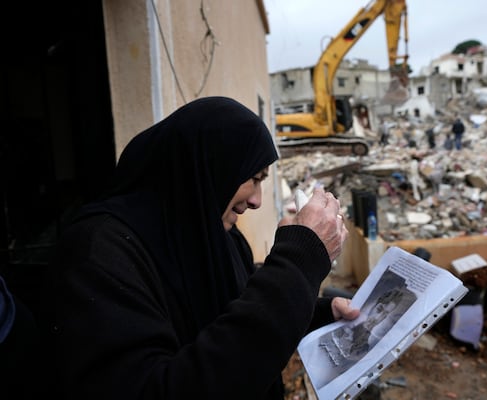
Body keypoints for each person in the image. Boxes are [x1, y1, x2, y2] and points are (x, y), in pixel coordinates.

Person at [38, 96, 360, 399]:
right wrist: (299, 262)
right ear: (208, 167)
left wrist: (316, 314)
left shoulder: (217, 236)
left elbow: (239, 314)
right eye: (252, 178)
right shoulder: (97, 255)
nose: (256, 200)